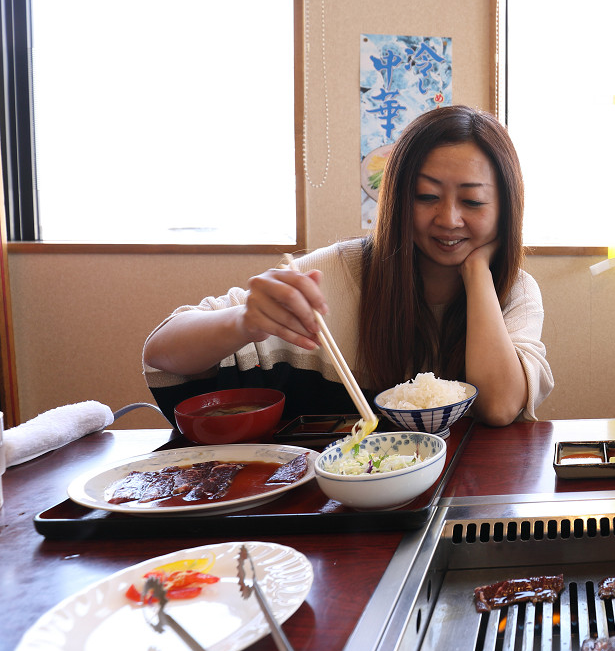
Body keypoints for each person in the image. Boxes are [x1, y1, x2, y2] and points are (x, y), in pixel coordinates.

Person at [143, 105, 553, 426]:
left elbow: (499, 407)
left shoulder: (514, 291)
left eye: (473, 201)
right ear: (398, 199)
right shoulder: (339, 271)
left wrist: (477, 274)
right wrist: (244, 321)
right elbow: (161, 351)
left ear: (506, 208)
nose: (448, 219)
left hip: (471, 497)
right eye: (426, 196)